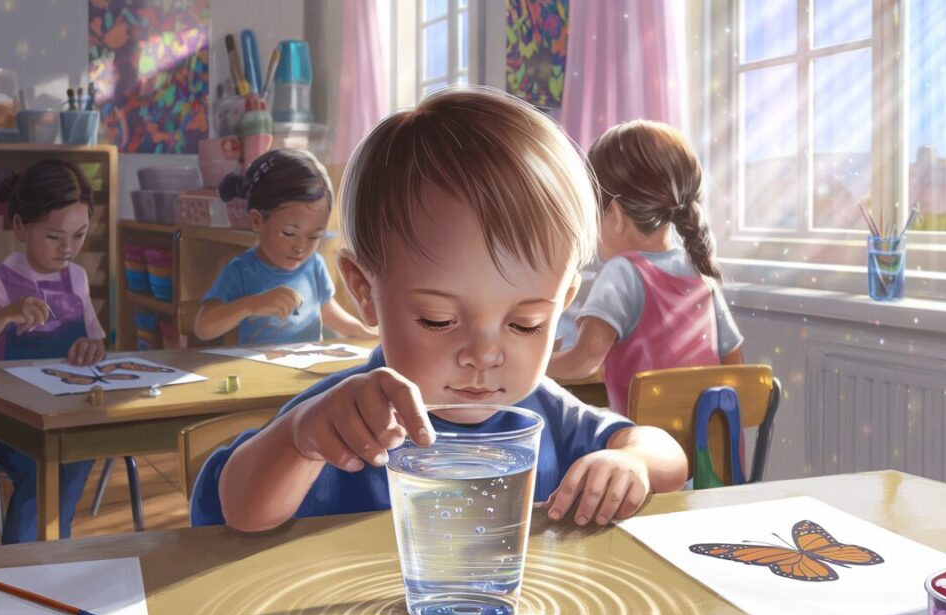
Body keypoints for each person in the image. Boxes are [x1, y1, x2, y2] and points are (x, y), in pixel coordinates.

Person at [190, 87, 687, 532]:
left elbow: (666, 455)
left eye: (525, 324)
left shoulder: (544, 412)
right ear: (365, 292)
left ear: (562, 305)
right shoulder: (341, 416)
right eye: (438, 320)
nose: (483, 354)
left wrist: (633, 464)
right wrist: (300, 441)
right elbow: (239, 509)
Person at [546, 120, 744, 414]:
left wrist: (537, 364)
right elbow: (735, 362)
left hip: (646, 451)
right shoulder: (699, 271)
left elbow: (584, 362)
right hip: (713, 455)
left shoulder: (622, 272)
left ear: (614, 213)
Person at [0, 158, 105, 543]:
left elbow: (97, 339)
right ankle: (23, 565)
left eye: (79, 235)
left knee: (75, 458)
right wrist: (6, 313)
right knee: (43, 469)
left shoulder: (77, 278)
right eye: (55, 237)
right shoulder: (2, 280)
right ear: (21, 228)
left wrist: (92, 346)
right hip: (10, 420)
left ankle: (51, 554)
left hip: (64, 413)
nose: (68, 249)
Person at [193, 148, 377, 344]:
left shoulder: (313, 265)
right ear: (256, 220)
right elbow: (203, 327)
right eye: (289, 233)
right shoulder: (242, 270)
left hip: (307, 366)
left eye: (314, 236)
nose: (300, 247)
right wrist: (252, 305)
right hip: (260, 371)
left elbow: (329, 312)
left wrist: (363, 331)